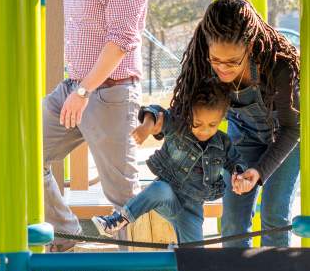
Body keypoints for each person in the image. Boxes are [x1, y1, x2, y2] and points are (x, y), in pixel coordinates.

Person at [169, 0, 300, 247]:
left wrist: (259, 172)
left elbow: (292, 128)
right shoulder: (203, 64)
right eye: (216, 60)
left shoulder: (279, 66)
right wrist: (155, 120)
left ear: (250, 46)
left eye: (232, 62)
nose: (223, 69)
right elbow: (182, 110)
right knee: (232, 221)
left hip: (285, 139)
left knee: (274, 215)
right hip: (243, 138)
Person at [42, 0, 148, 253]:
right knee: (24, 153)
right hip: (74, 86)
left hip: (110, 92)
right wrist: (78, 89)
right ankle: (66, 235)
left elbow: (121, 41)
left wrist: (83, 91)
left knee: (122, 194)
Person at [92, 80, 259, 243]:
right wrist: (147, 126)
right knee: (159, 189)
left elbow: (236, 161)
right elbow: (155, 111)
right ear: (189, 115)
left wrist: (239, 175)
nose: (204, 130)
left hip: (192, 208)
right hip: (169, 195)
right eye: (198, 123)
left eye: (212, 125)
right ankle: (119, 220)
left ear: (222, 118)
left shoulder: (223, 143)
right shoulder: (178, 125)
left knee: (194, 254)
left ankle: (176, 256)